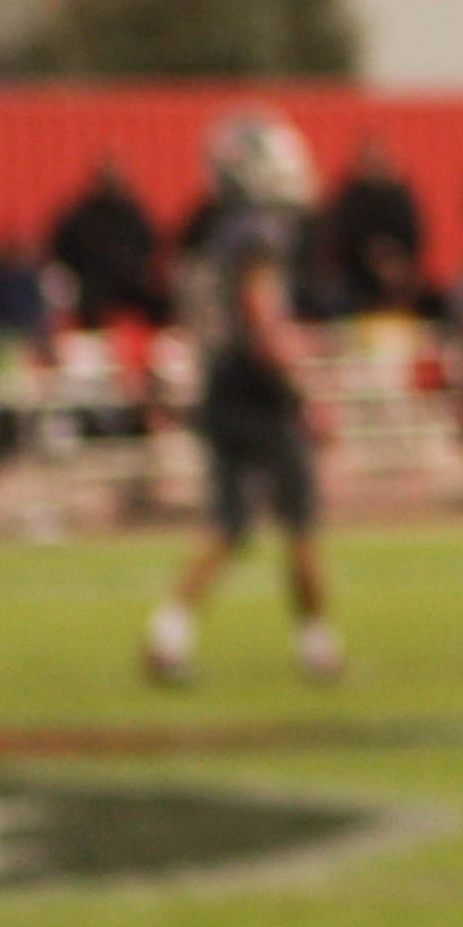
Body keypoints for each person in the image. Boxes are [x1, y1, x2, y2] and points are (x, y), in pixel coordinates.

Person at [144, 113, 341, 686]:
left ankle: (167, 635)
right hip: (256, 390)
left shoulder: (215, 232)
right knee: (300, 522)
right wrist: (305, 390)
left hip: (219, 385)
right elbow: (262, 317)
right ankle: (318, 648)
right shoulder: (258, 233)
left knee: (229, 526)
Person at [44, 154, 169, 333]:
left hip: (130, 281)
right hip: (93, 283)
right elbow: (58, 250)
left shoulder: (132, 214)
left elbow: (152, 245)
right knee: (89, 305)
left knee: (160, 302)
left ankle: (160, 339)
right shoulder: (81, 217)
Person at [319, 134, 431, 318]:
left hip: (399, 273)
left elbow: (414, 239)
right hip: (355, 276)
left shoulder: (400, 198)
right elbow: (338, 242)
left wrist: (395, 264)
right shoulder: (349, 200)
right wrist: (371, 259)